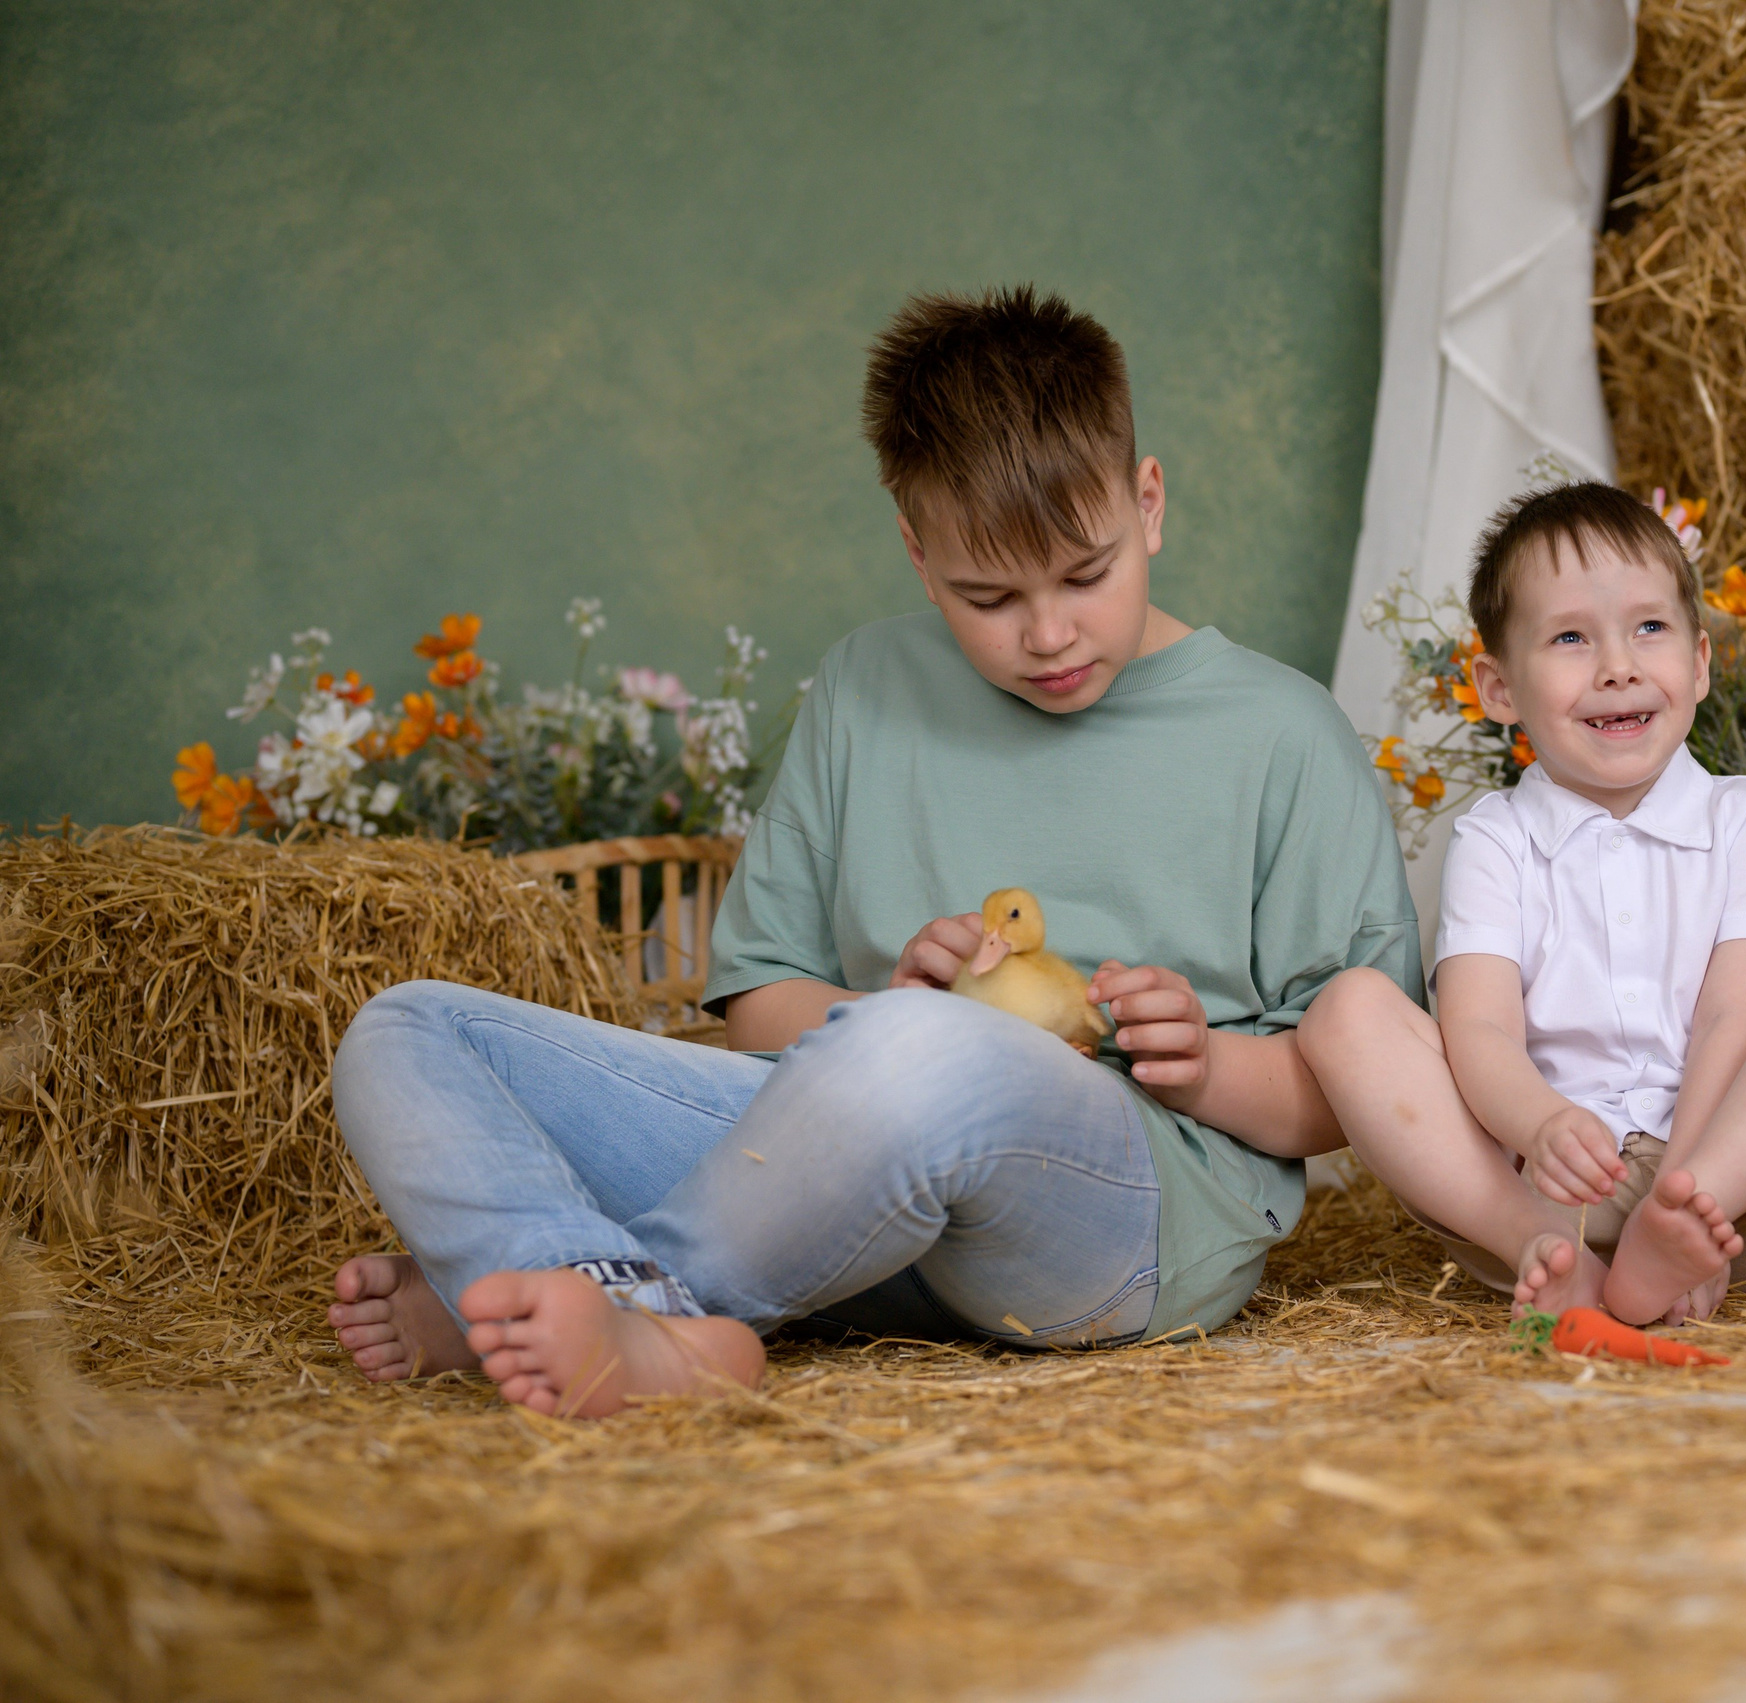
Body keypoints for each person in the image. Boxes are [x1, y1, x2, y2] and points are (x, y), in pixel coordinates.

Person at [326, 286, 1421, 1415]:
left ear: (1147, 504)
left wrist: (1203, 1065)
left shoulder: (1282, 733)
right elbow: (761, 1012)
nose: (1048, 633)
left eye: (1085, 574)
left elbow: (1357, 1090)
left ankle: (570, 1304)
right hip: (826, 1195)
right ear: (916, 553)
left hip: (1115, 1221)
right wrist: (883, 1009)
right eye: (986, 595)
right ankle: (597, 1292)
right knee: (407, 1030)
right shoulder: (863, 686)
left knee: (920, 1053)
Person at [1297, 482, 1746, 1328]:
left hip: (1745, 1189)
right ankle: (1548, 1254)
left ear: (1699, 662)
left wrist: (1684, 1190)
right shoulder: (1495, 839)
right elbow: (1479, 1030)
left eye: (1649, 627)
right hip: (1556, 1191)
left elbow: (1735, 1014)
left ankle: (1677, 1231)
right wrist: (1541, 1121)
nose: (1618, 665)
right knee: (1346, 1011)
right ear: (1499, 687)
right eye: (1569, 637)